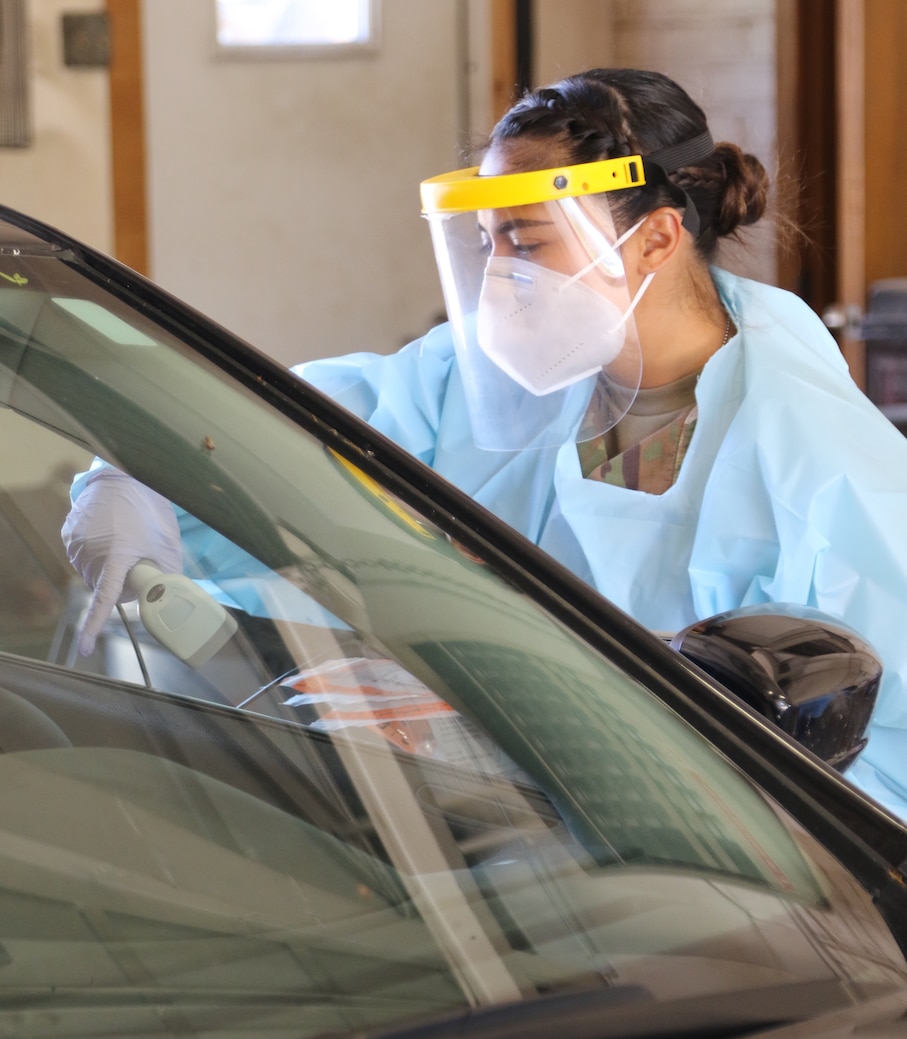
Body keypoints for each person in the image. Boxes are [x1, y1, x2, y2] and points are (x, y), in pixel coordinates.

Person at [63, 67, 907, 823]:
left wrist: (528, 732)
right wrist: (137, 472)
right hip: (459, 828)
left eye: (528, 241)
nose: (501, 272)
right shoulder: (498, 378)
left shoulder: (822, 464)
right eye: (486, 242)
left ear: (654, 237)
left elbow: (876, 774)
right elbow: (280, 427)